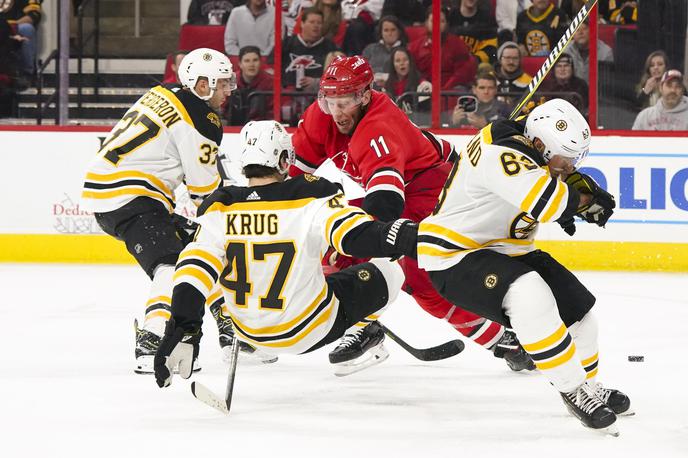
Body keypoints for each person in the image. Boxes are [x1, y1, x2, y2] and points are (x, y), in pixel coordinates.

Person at [387, 98, 632, 434]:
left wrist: (567, 190)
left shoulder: (522, 145)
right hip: (454, 256)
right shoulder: (501, 153)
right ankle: (572, 389)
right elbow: (546, 202)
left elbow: (545, 189)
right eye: (566, 157)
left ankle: (589, 385)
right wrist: (582, 200)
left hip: (503, 249)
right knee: (530, 294)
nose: (571, 167)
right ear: (541, 144)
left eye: (576, 159)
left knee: (581, 316)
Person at [291, 55, 534, 373]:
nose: (336, 112)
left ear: (365, 95)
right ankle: (362, 324)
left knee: (421, 276)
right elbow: (292, 179)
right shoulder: (320, 118)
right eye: (330, 102)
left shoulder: (377, 127)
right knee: (329, 236)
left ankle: (502, 339)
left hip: (434, 189)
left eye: (345, 102)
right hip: (412, 183)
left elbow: (384, 205)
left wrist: (348, 241)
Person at [153, 120, 410, 384]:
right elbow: (357, 237)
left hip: (247, 331)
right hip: (308, 331)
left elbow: (194, 269)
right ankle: (362, 329)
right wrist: (408, 236)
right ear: (284, 159)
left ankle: (257, 347)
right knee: (390, 269)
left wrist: (185, 327)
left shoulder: (220, 204)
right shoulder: (313, 194)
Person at [80, 48, 235, 374]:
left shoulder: (163, 92)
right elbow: (204, 195)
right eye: (222, 84)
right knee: (172, 264)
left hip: (110, 190)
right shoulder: (203, 121)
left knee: (199, 248)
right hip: (131, 196)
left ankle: (228, 325)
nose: (229, 90)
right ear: (202, 85)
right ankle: (151, 340)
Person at [407, 6, 477, 90]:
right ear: (426, 23)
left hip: (451, 91)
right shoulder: (414, 47)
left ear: (447, 24)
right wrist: (424, 83)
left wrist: (444, 89)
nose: (437, 24)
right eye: (433, 21)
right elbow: (412, 72)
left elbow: (461, 73)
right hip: (423, 91)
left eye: (441, 21)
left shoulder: (458, 44)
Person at [281, 7, 338, 92]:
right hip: (286, 94)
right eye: (312, 22)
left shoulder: (330, 47)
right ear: (302, 24)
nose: (315, 26)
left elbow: (337, 78)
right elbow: (270, 68)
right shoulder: (287, 43)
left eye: (319, 23)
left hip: (317, 96)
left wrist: (317, 83)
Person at [224, 45, 273, 125]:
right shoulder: (231, 80)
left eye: (255, 60)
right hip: (234, 128)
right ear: (240, 64)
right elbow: (221, 108)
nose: (251, 64)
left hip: (261, 128)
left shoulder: (270, 82)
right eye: (247, 61)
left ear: (260, 62)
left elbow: (273, 113)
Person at [0, 0, 42, 86]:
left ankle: (27, 74)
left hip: (15, 26)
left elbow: (34, 15)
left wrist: (10, 27)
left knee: (27, 29)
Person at [447, 0, 499, 65]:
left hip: (477, 67)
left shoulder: (486, 18)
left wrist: (474, 60)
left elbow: (491, 49)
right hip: (452, 65)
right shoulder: (450, 16)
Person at [362, 15, 409, 81]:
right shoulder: (370, 49)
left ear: (399, 31)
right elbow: (361, 71)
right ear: (381, 32)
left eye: (393, 30)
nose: (390, 33)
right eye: (386, 30)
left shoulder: (407, 50)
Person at [494, 41, 532, 105]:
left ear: (519, 60)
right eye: (507, 58)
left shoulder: (529, 81)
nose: (511, 62)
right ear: (500, 59)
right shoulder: (489, 78)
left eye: (515, 58)